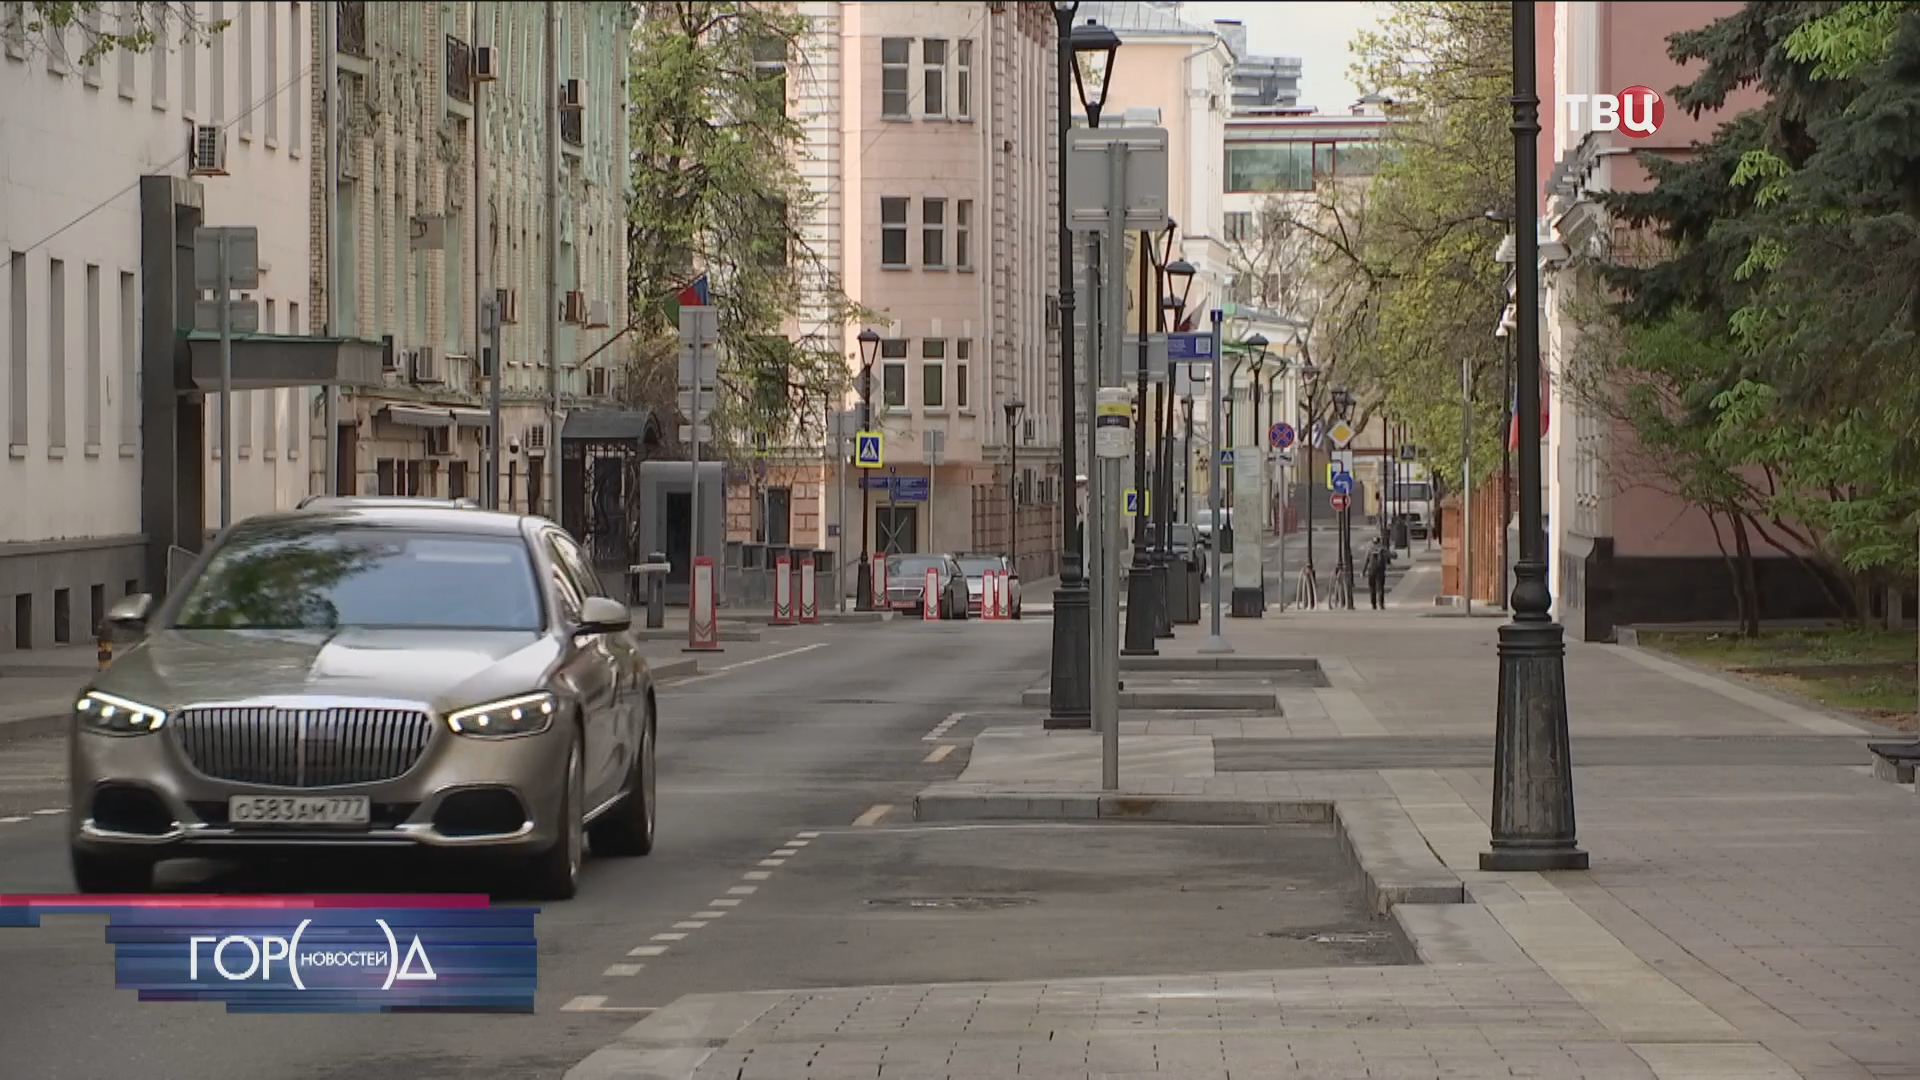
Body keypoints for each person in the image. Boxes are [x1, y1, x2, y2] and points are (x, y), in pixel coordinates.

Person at [1363, 537, 1391, 609]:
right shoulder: (1383, 548)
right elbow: (1391, 555)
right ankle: (1381, 604)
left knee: (1372, 587)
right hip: (1381, 570)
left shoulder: (1370, 549)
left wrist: (1363, 571)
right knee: (1380, 587)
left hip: (1371, 570)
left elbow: (1366, 560)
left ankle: (1373, 604)